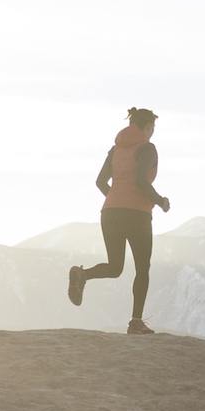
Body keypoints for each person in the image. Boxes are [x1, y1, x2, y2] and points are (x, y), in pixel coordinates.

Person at [68, 107, 171, 334]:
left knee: (115, 267)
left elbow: (100, 181)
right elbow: (141, 182)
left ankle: (82, 274)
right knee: (142, 269)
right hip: (137, 215)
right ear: (146, 127)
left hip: (110, 212)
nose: (152, 132)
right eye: (152, 128)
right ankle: (136, 322)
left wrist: (116, 199)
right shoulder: (147, 148)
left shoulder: (115, 149)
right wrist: (160, 201)